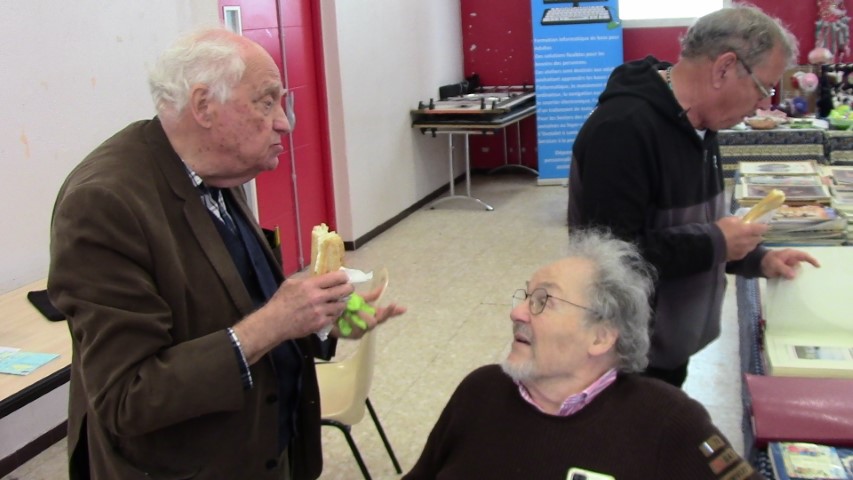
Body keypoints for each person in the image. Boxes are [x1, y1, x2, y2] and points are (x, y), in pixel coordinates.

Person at [47, 28, 405, 480]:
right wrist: (275, 322)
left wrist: (317, 320)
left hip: (265, 447)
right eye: (266, 102)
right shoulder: (104, 203)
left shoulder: (217, 169)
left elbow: (237, 299)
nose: (284, 123)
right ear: (203, 106)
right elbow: (128, 396)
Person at [567, 5, 819, 387]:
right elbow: (610, 261)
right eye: (763, 87)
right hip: (629, 360)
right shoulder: (621, 130)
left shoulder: (700, 123)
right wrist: (717, 242)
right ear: (724, 68)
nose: (765, 103)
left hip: (670, 347)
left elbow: (695, 227)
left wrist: (757, 258)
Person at [404, 229, 760, 479]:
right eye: (525, 297)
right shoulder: (480, 391)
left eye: (543, 301)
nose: (517, 313)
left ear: (601, 336)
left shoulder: (669, 421)